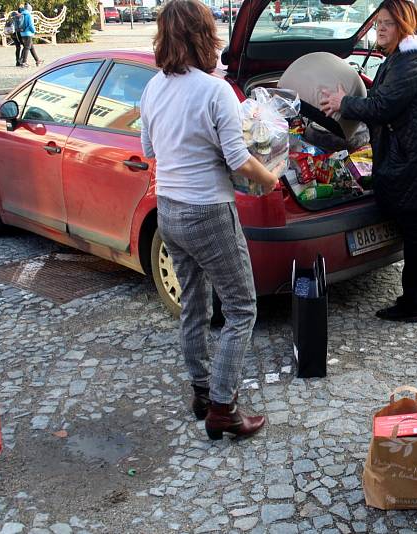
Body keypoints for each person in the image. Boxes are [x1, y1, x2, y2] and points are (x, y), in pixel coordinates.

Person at [140, 0, 282, 440]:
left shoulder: (152, 89)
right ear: (204, 36)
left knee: (194, 306)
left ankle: (201, 394)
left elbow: (150, 151)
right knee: (242, 308)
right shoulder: (215, 90)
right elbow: (240, 159)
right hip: (208, 212)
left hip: (169, 211)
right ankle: (223, 408)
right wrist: (271, 179)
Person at [319, 0, 417, 323]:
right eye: (378, 22)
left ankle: (412, 305)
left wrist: (343, 102)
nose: (380, 28)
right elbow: (382, 101)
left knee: (415, 230)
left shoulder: (408, 63)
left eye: (388, 23)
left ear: (404, 25)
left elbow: (381, 107)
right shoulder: (406, 58)